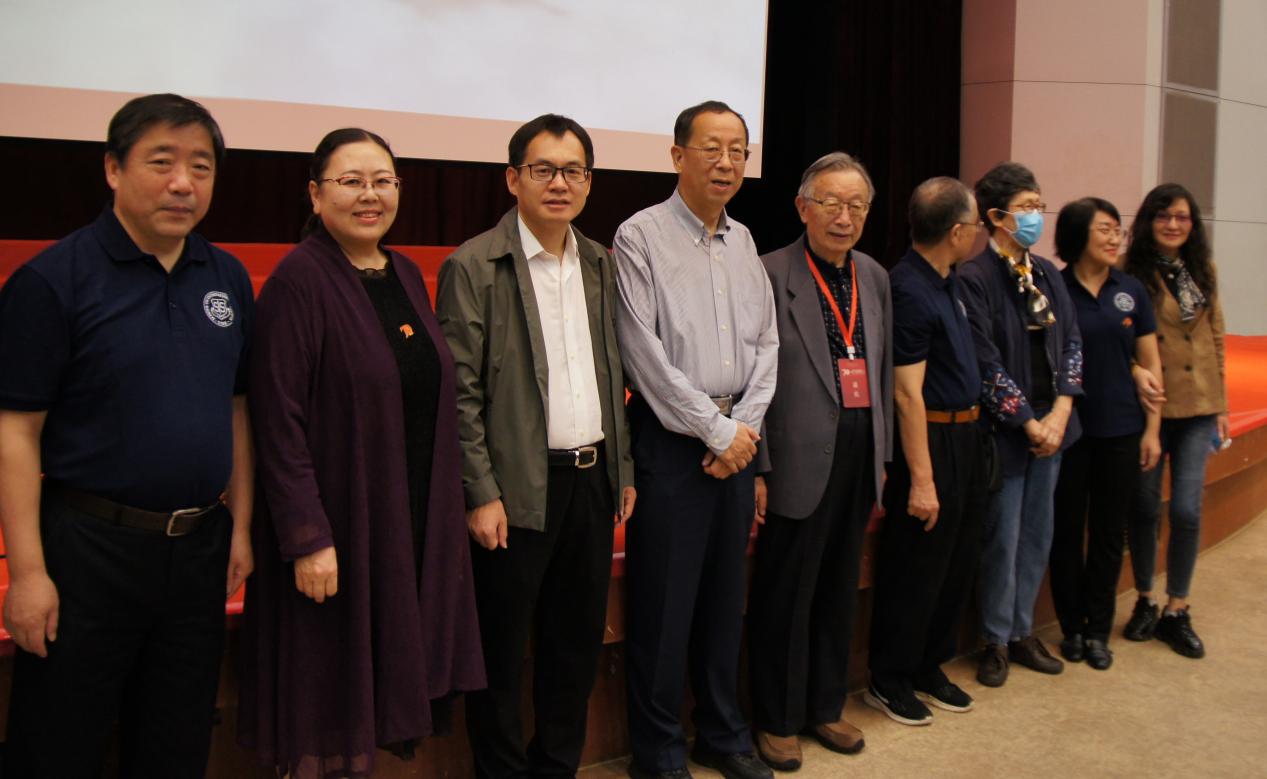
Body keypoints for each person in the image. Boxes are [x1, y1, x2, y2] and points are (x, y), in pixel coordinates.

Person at [0, 93, 253, 777]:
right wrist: (28, 573)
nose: (183, 183)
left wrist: (240, 527)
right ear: (113, 169)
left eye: (201, 166)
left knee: (176, 743)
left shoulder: (225, 276)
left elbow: (237, 409)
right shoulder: (52, 280)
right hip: (87, 550)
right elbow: (16, 432)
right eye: (161, 162)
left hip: (197, 550)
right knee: (58, 743)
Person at [240, 128, 485, 778]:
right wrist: (307, 536)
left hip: (401, 517)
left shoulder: (401, 272)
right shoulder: (297, 281)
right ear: (316, 194)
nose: (369, 195)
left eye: (382, 181)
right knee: (327, 692)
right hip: (336, 528)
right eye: (351, 181)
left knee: (378, 686)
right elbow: (278, 421)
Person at [435, 114, 636, 778]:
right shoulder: (473, 265)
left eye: (573, 171)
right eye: (543, 169)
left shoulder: (600, 262)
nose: (559, 183)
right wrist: (480, 491)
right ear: (512, 178)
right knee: (499, 653)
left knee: (573, 648)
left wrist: (622, 467)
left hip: (590, 481)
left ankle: (556, 767)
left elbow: (612, 371)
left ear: (589, 182)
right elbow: (459, 393)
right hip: (514, 490)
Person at [615, 100, 777, 779]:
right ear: (677, 154)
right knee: (664, 604)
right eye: (712, 147)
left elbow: (766, 344)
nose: (726, 161)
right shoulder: (639, 235)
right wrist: (716, 430)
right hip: (672, 444)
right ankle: (657, 750)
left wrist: (744, 430)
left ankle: (721, 733)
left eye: (737, 149)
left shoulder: (744, 240)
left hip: (735, 443)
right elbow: (642, 353)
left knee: (721, 601)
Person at [745, 152, 891, 771]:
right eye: (831, 203)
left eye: (856, 205)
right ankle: (776, 719)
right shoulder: (768, 272)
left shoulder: (874, 276)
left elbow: (881, 371)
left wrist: (883, 456)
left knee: (837, 589)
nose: (844, 217)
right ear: (803, 207)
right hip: (795, 459)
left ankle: (825, 706)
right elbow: (751, 377)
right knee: (786, 595)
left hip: (859, 457)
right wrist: (759, 465)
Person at [866, 177, 989, 725]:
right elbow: (906, 393)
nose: (978, 233)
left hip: (966, 437)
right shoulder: (909, 288)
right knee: (917, 568)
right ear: (957, 231)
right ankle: (890, 677)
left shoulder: (950, 282)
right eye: (976, 224)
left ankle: (928, 666)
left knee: (955, 561)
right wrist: (921, 478)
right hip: (929, 440)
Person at [959, 161, 1083, 688]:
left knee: (1038, 534)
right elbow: (983, 361)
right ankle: (993, 638)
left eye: (1039, 205)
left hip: (1054, 427)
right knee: (1002, 539)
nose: (1036, 216)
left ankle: (1022, 630)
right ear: (995, 216)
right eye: (1027, 207)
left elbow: (1072, 341)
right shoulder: (974, 278)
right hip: (1007, 433)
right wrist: (1028, 423)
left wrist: (1061, 412)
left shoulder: (1049, 274)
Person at [1049, 197, 1163, 671]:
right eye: (1105, 230)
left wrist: (1152, 430)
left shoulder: (1131, 290)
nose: (1115, 238)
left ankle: (1098, 630)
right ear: (1078, 235)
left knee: (1109, 532)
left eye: (1118, 230)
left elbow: (1150, 364)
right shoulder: (1054, 287)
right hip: (1069, 430)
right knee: (1066, 530)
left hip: (1121, 428)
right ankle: (1071, 627)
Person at [1122, 183, 1227, 659]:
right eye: (1163, 216)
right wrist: (1134, 369)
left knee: (1187, 509)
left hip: (1199, 405)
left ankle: (1177, 607)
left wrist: (1222, 405)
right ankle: (1145, 598)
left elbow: (1215, 336)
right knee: (1144, 507)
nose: (1173, 225)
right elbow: (1116, 340)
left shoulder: (1203, 269)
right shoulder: (1129, 273)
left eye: (1182, 217)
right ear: (1149, 221)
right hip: (1150, 406)